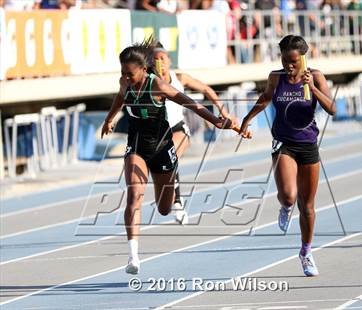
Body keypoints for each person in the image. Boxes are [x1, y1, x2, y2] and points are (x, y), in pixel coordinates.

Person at [101, 37, 246, 275]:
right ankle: (133, 256)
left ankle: (174, 198)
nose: (125, 78)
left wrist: (217, 121)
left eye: (130, 74)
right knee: (134, 195)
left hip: (162, 148)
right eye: (122, 73)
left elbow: (191, 104)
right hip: (136, 146)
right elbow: (120, 96)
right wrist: (109, 119)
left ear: (143, 70)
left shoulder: (158, 85)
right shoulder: (124, 83)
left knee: (164, 209)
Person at [239, 35, 335, 277]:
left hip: (308, 144)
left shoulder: (316, 76)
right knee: (290, 196)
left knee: (308, 206)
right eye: (285, 60)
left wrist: (311, 87)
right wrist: (246, 119)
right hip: (283, 142)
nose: (289, 66)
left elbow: (331, 108)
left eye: (293, 61)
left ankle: (305, 252)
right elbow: (265, 98)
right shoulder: (276, 77)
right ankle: (285, 206)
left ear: (303, 58)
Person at [153, 45, 238, 225]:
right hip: (157, 133)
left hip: (178, 128)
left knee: (170, 156)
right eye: (156, 59)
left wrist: (224, 111)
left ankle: (177, 201)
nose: (160, 62)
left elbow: (206, 89)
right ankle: (175, 199)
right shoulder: (149, 82)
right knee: (162, 166)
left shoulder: (180, 78)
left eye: (162, 58)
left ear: (169, 60)